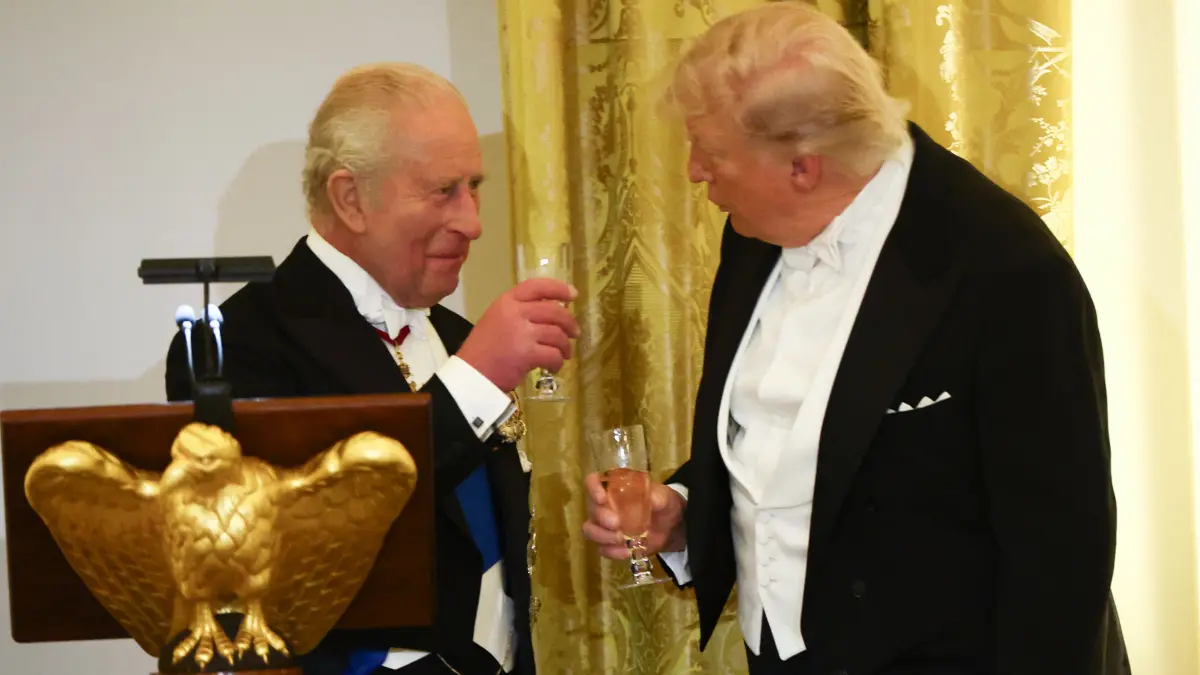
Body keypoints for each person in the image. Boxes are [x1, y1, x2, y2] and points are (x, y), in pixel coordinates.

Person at [582, 4, 1129, 674]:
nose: (695, 170)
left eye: (711, 150)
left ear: (803, 167)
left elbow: (1061, 552)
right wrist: (686, 512)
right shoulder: (753, 235)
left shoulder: (1006, 270)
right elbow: (796, 438)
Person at [166, 62, 578, 675]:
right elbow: (300, 549)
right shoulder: (237, 346)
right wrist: (476, 380)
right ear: (350, 198)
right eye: (444, 191)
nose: (473, 222)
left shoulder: (455, 338)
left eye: (474, 185)